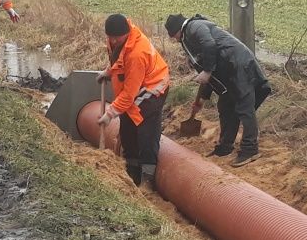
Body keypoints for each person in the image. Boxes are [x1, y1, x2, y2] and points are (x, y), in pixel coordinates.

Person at [165, 13, 271, 167]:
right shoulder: (188, 39)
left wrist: (207, 71)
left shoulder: (195, 27)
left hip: (239, 66)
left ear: (177, 30)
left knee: (244, 107)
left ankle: (250, 149)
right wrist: (202, 98)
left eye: (173, 36)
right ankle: (225, 146)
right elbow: (209, 72)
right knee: (225, 106)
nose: (174, 39)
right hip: (229, 70)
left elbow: (209, 46)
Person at [96, 14, 170, 188]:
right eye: (110, 37)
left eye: (116, 37)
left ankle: (147, 178)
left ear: (126, 33)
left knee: (146, 131)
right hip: (135, 86)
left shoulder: (137, 53)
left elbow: (129, 95)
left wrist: (110, 113)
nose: (113, 41)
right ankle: (132, 170)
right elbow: (119, 60)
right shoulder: (116, 40)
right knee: (128, 127)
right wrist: (109, 71)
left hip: (153, 89)